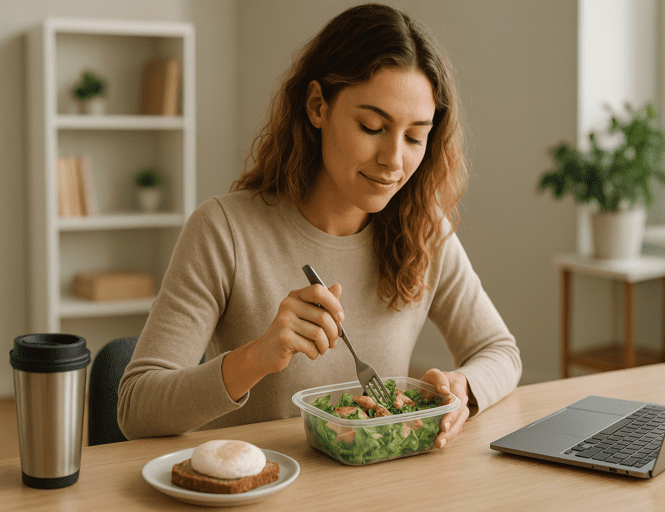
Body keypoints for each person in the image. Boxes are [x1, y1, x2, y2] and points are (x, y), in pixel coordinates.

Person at [118, 3, 522, 449]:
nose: (393, 159)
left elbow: (500, 352)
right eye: (372, 126)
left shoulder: (423, 229)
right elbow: (137, 407)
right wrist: (257, 356)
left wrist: (461, 388)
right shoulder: (224, 230)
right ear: (317, 106)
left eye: (414, 137)